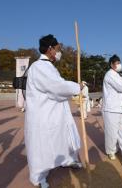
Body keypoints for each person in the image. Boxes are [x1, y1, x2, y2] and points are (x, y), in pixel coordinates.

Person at [24, 34, 82, 188]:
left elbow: (57, 86)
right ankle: (38, 178)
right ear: (50, 49)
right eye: (57, 49)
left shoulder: (48, 67)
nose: (59, 52)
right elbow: (57, 87)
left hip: (54, 113)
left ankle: (67, 160)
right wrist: (77, 87)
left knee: (62, 138)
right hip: (43, 116)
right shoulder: (39, 67)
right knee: (41, 147)